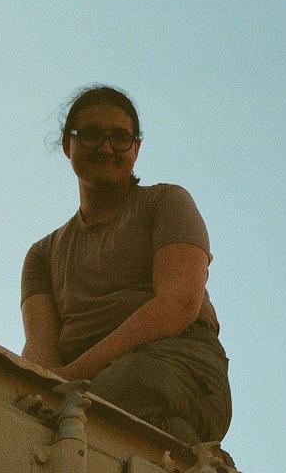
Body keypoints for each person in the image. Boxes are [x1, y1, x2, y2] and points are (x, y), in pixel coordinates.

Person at [20, 85, 231, 445]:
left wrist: (72, 382)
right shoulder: (42, 255)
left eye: (120, 138)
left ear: (136, 149)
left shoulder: (166, 202)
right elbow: (40, 351)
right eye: (91, 135)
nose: (106, 148)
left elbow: (178, 305)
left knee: (126, 385)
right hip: (85, 387)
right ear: (68, 144)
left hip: (178, 362)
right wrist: (39, 389)